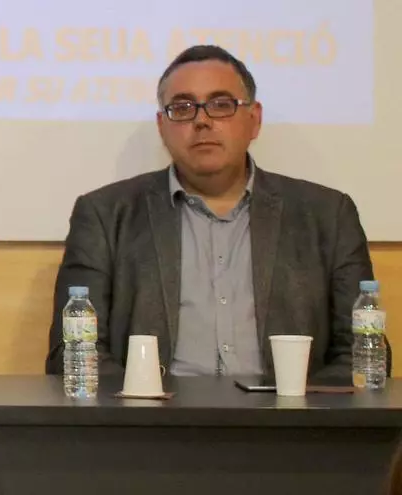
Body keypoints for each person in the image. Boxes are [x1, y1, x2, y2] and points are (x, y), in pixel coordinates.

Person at [45, 44, 388, 379]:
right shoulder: (105, 216)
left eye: (221, 105)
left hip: (287, 414)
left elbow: (362, 354)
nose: (202, 120)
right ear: (162, 126)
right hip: (151, 414)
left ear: (254, 119)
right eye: (182, 108)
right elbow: (73, 353)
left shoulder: (327, 215)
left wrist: (303, 406)